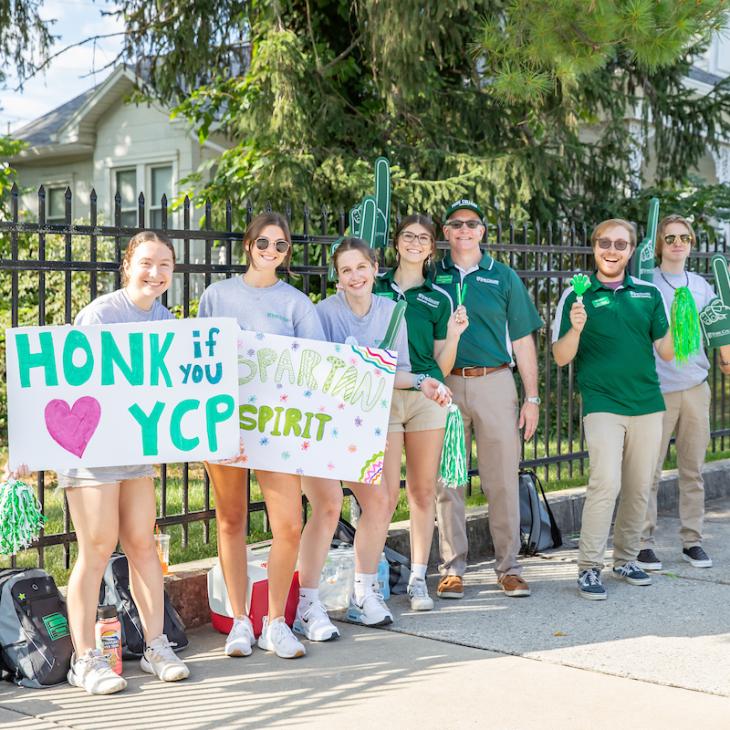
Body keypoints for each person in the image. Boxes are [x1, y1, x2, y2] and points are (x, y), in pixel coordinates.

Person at [295, 237, 450, 634]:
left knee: (379, 502)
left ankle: (364, 594)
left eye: (360, 267)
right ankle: (306, 603)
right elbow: (310, 367)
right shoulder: (322, 314)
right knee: (327, 508)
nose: (355, 276)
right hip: (325, 423)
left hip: (365, 423)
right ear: (338, 277)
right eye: (346, 270)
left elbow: (391, 374)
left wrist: (421, 382)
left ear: (375, 268)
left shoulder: (392, 313)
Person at [58, 231, 189, 694]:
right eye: (147, 263)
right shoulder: (100, 315)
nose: (156, 274)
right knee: (95, 548)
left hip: (134, 448)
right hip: (90, 446)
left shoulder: (165, 318)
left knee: (141, 545)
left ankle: (156, 645)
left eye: (165, 265)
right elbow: (74, 381)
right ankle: (85, 659)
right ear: (128, 265)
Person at [198, 212, 325, 659]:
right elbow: (201, 357)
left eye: (280, 246)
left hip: (278, 427)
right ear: (248, 245)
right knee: (231, 519)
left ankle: (275, 622)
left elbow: (316, 367)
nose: (271, 251)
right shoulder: (216, 295)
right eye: (263, 243)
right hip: (226, 420)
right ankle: (239, 622)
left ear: (287, 253)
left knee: (288, 523)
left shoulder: (297, 304)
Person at [552, 218, 674, 600]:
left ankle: (626, 558)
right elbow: (559, 357)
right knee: (606, 482)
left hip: (648, 403)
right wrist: (574, 328)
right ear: (594, 247)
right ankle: (589, 567)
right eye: (605, 242)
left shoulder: (649, 293)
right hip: (603, 403)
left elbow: (668, 352)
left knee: (640, 485)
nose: (612, 250)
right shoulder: (576, 294)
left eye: (621, 244)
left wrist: (684, 322)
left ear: (631, 251)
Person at [431, 200, 542, 600]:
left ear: (482, 231)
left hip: (495, 382)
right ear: (445, 232)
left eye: (471, 224)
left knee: (501, 482)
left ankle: (509, 567)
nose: (463, 230)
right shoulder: (432, 274)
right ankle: (451, 569)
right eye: (456, 224)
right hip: (445, 386)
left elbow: (523, 340)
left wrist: (533, 398)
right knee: (449, 480)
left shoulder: (504, 277)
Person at [373, 214, 468, 610]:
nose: (415, 243)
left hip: (427, 395)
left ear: (432, 248)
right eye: (408, 236)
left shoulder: (438, 297)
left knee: (423, 490)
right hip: (384, 393)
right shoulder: (374, 285)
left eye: (423, 238)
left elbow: (441, 366)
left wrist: (457, 334)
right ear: (397, 243)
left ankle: (417, 579)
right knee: (383, 493)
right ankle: (372, 577)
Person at [637, 215, 730, 571]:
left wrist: (725, 358)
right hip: (657, 390)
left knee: (693, 470)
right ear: (660, 244)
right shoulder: (647, 283)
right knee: (649, 471)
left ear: (691, 243)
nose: (678, 243)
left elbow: (719, 333)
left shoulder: (701, 286)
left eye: (684, 237)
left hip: (695, 388)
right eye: (670, 237)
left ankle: (693, 540)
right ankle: (643, 542)